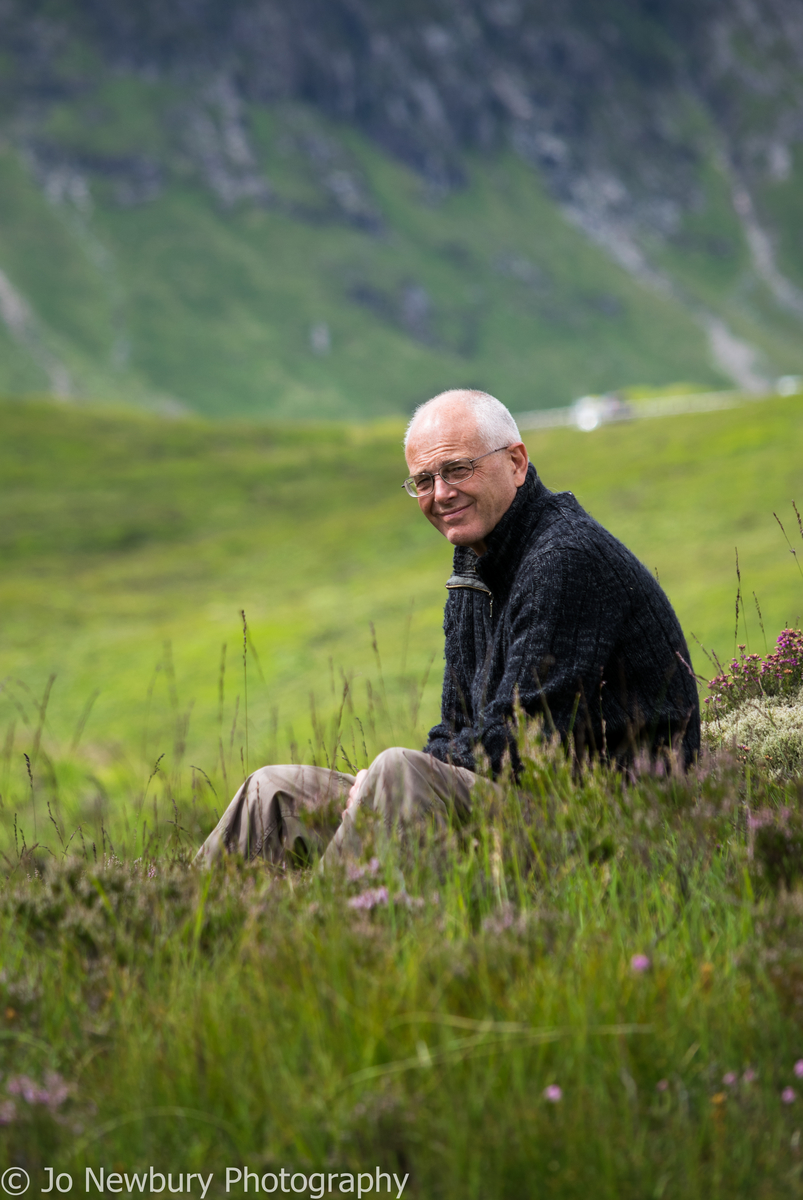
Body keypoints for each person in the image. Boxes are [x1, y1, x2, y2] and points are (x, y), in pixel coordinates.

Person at [195, 388, 700, 867]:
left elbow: (522, 746)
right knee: (273, 793)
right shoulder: (473, 563)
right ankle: (195, 930)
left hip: (610, 827)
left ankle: (327, 938)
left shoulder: (565, 560)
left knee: (398, 773)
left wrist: (389, 781)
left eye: (457, 469)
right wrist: (381, 786)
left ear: (516, 462)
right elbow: (456, 727)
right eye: (424, 480)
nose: (441, 493)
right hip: (523, 805)